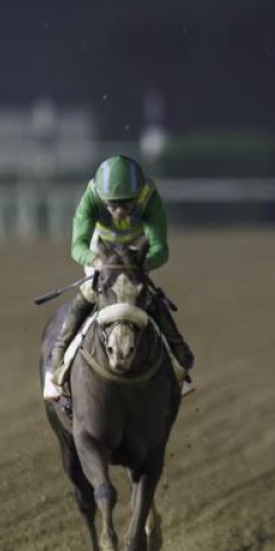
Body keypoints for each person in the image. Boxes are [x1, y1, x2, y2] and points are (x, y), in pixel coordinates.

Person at [43, 155, 194, 400]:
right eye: (113, 205)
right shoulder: (91, 197)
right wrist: (96, 261)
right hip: (101, 252)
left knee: (150, 299)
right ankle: (55, 366)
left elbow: (160, 248)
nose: (120, 211)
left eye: (127, 204)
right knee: (87, 295)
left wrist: (140, 264)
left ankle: (180, 363)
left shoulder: (149, 197)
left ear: (138, 195)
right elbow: (78, 246)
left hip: (135, 254)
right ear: (103, 199)